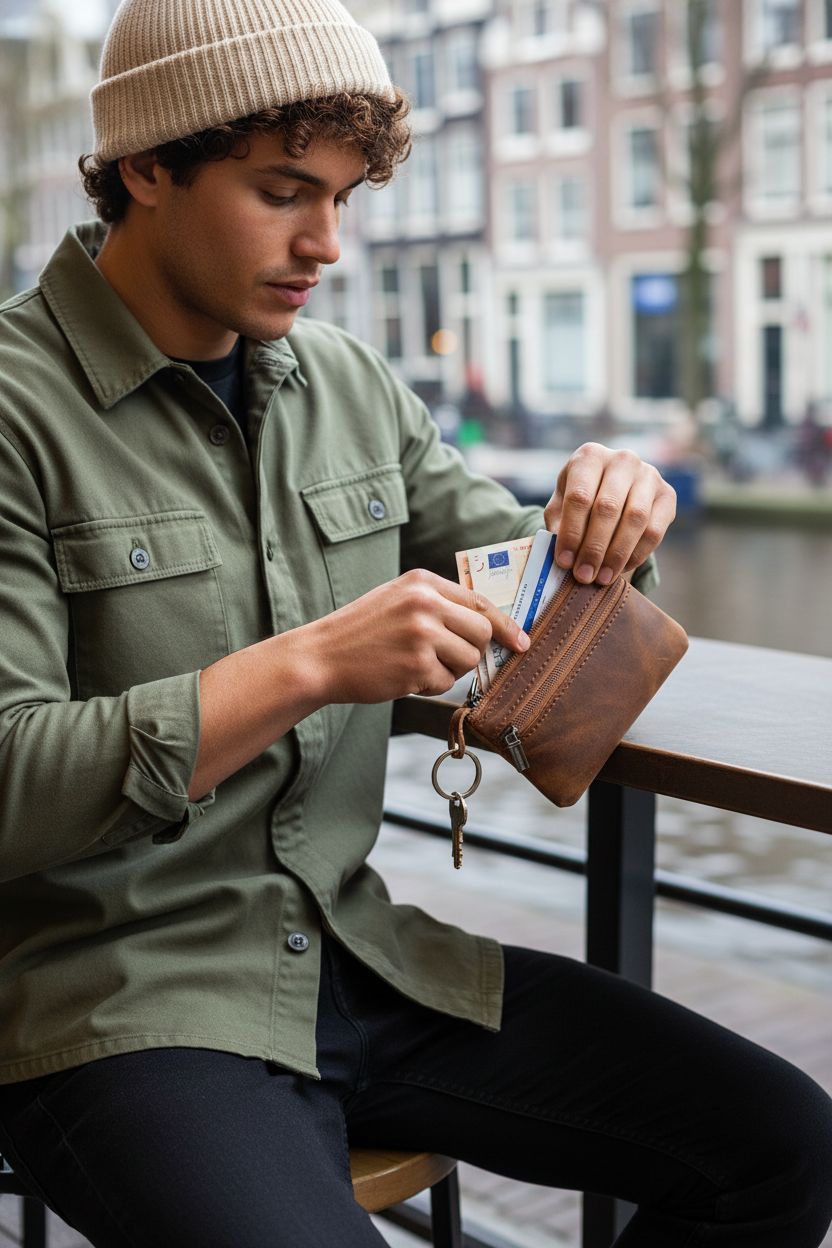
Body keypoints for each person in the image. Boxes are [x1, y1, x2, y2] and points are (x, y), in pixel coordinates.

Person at [0, 2, 831, 1245]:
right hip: (118, 1006)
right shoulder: (16, 408)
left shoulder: (351, 384)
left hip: (362, 956)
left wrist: (613, 522)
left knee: (786, 1146)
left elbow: (552, 617)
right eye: (285, 191)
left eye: (341, 198)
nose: (325, 242)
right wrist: (314, 665)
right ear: (146, 167)